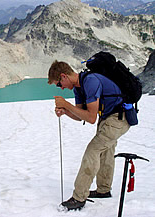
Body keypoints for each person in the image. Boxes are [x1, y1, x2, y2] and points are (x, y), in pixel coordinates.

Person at [48, 60, 130, 211]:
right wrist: (66, 111)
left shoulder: (90, 82)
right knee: (105, 152)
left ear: (63, 76)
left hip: (119, 118)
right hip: (109, 118)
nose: (62, 88)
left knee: (92, 152)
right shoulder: (78, 88)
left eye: (59, 84)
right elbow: (81, 116)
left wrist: (67, 105)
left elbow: (91, 118)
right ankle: (103, 190)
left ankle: (79, 198)